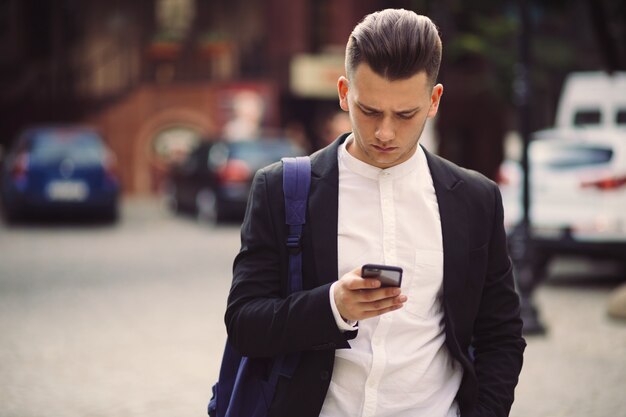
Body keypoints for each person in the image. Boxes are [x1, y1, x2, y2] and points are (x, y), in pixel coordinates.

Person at [224, 8, 525, 417]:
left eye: (405, 115)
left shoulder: (475, 199)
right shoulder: (279, 189)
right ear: (344, 91)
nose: (385, 132)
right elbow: (244, 324)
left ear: (433, 100)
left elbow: (501, 334)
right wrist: (333, 306)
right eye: (369, 111)